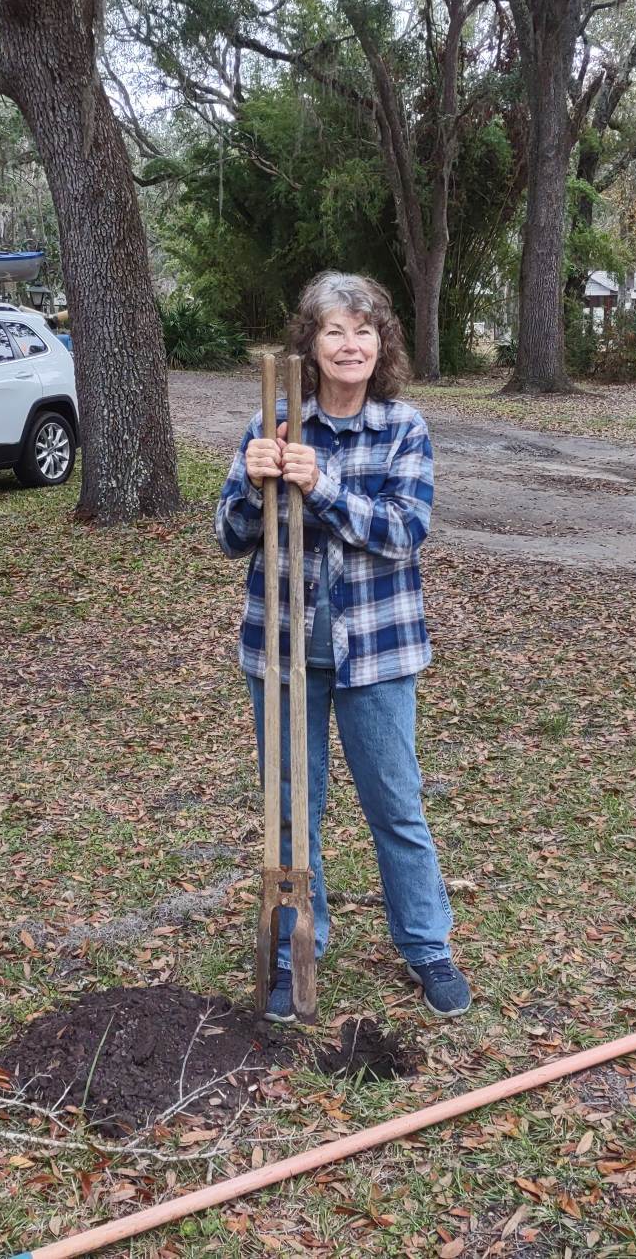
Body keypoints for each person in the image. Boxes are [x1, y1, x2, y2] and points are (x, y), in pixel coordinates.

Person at [214, 272, 470, 1022]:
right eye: (334, 331)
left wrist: (321, 486)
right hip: (282, 652)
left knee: (396, 807)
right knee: (294, 814)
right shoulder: (275, 424)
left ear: (381, 342)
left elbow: (403, 533)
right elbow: (229, 539)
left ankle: (427, 948)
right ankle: (298, 952)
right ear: (312, 346)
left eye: (363, 330)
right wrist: (251, 488)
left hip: (380, 655)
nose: (350, 344)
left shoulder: (403, 427)